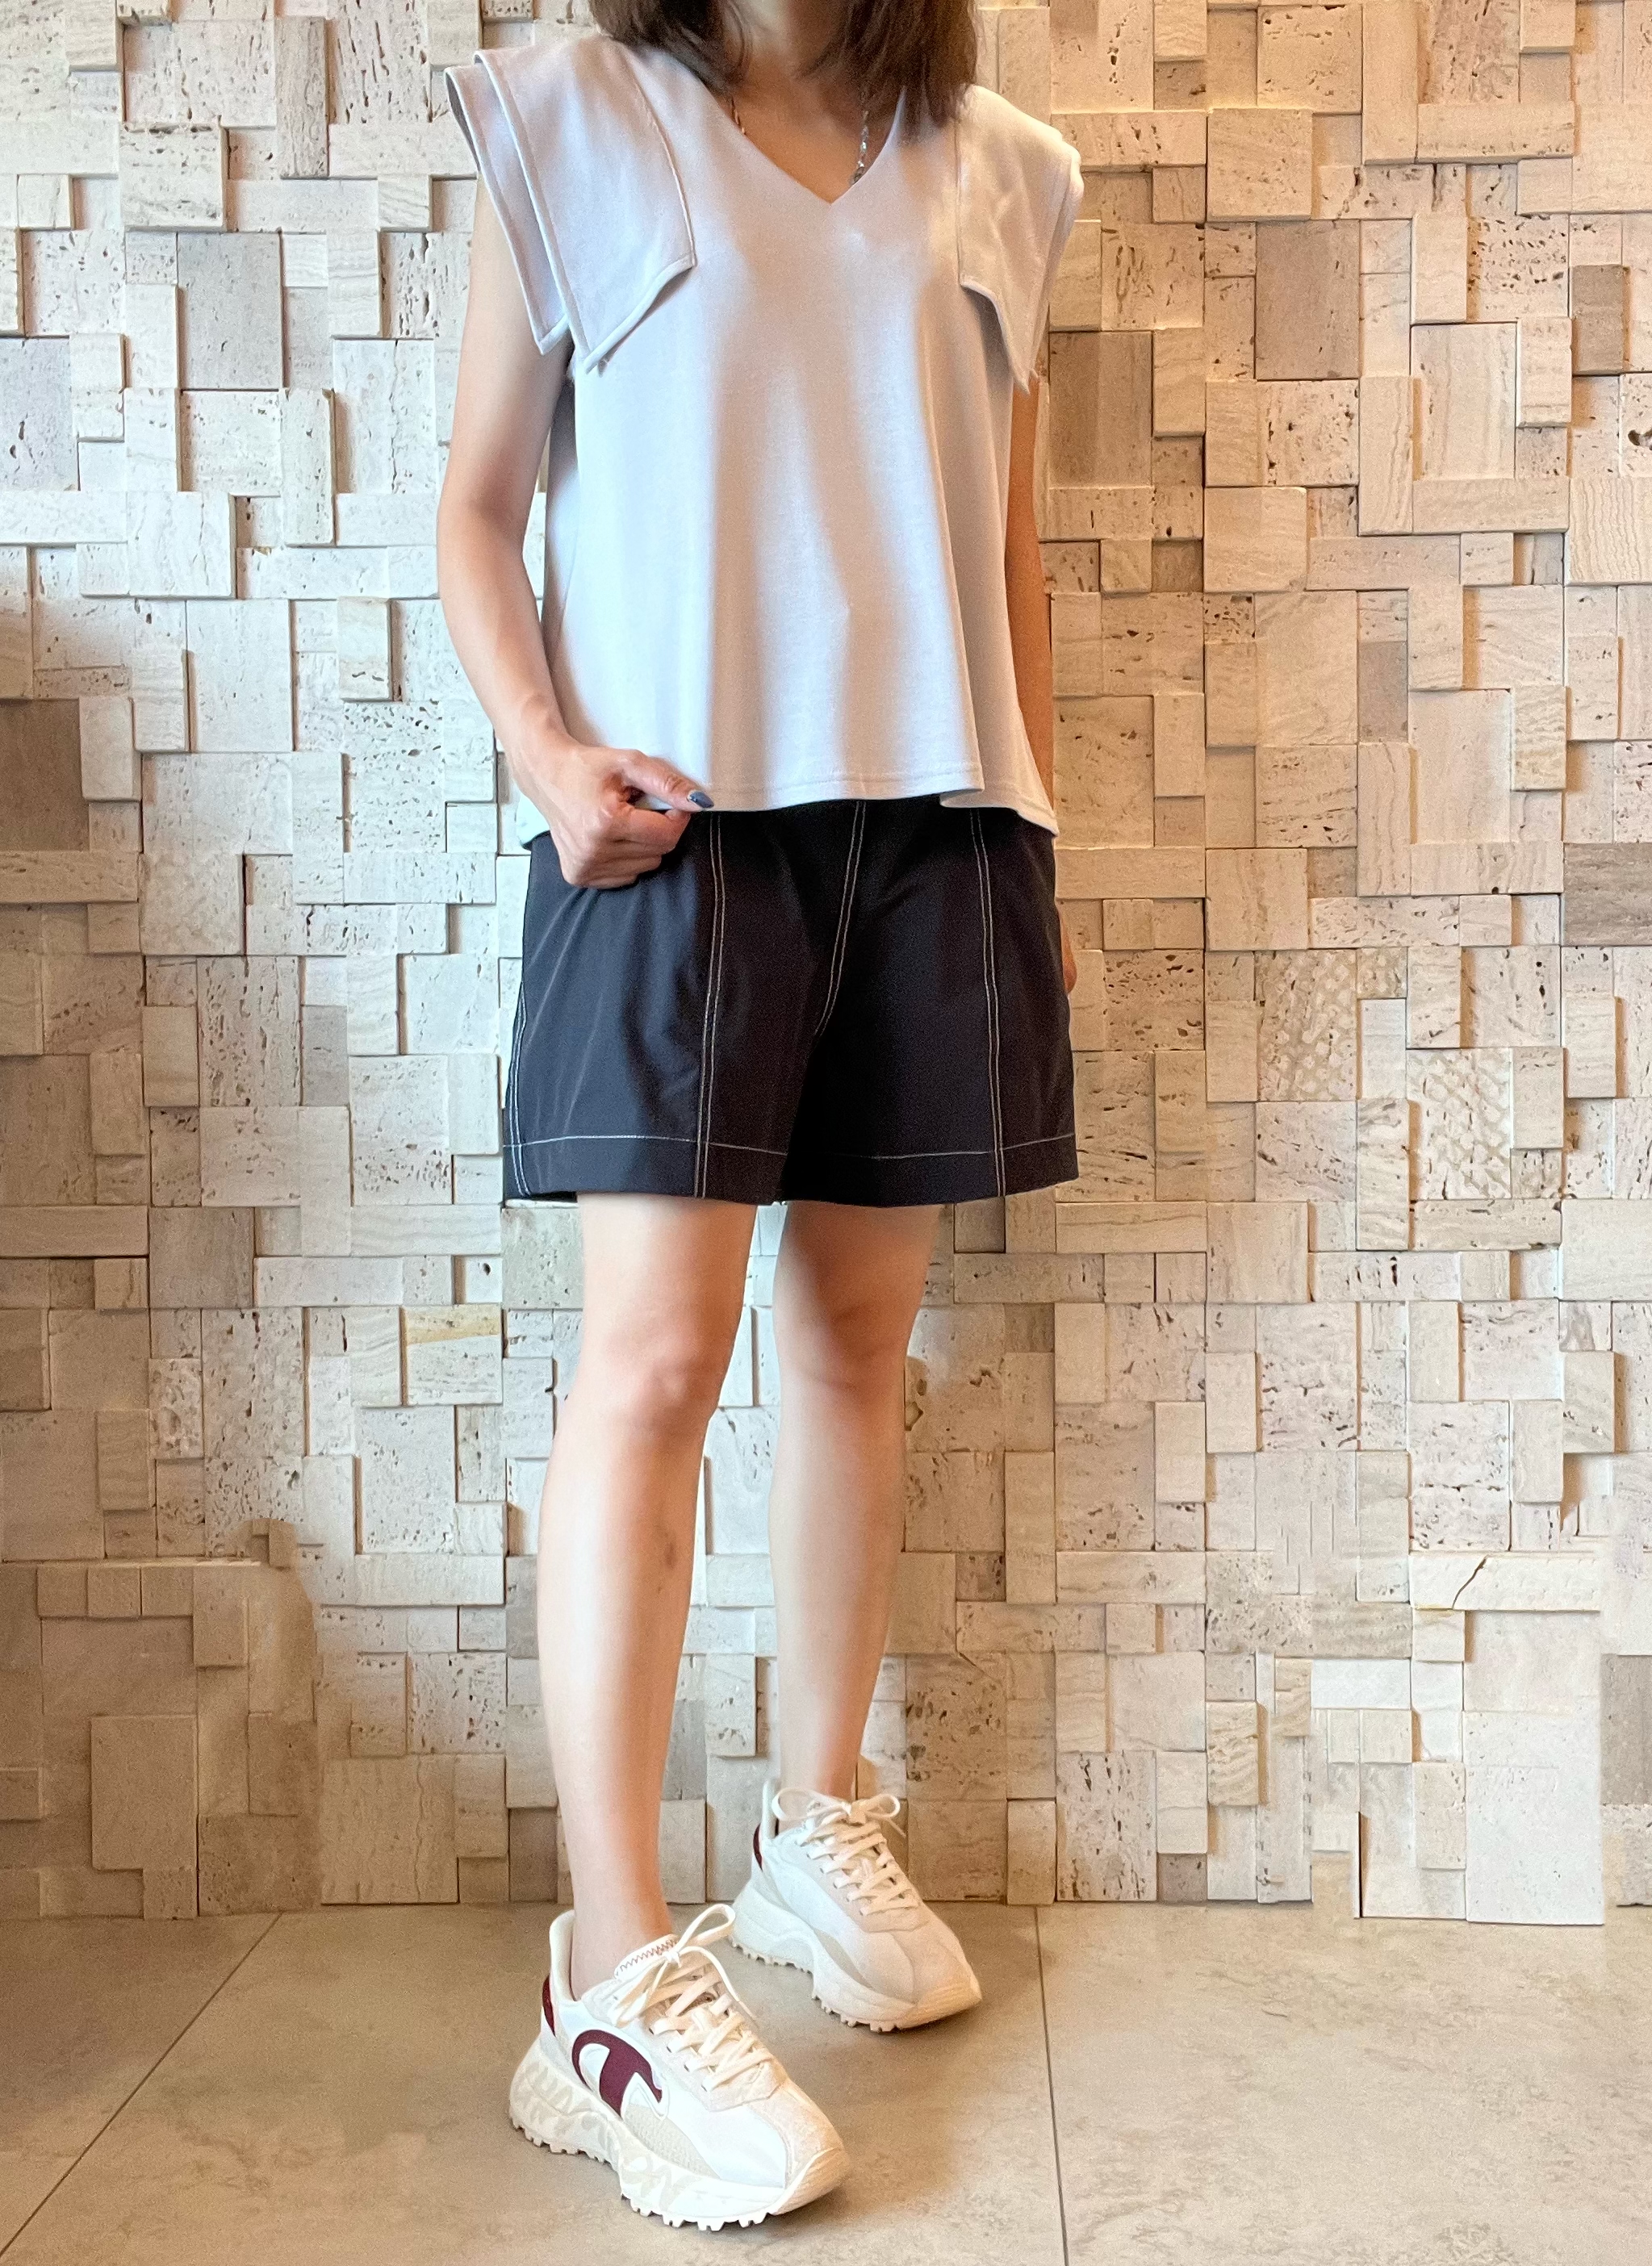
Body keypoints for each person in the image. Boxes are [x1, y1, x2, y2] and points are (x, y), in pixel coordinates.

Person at [437, 0, 1083, 2231]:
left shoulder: (1003, 165)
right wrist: (546, 761)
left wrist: (1027, 823)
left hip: (938, 828)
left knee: (853, 1349)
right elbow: (479, 505)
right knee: (649, 1368)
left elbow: (1005, 543)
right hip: (675, 830)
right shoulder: (565, 112)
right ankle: (609, 1972)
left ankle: (817, 1822)